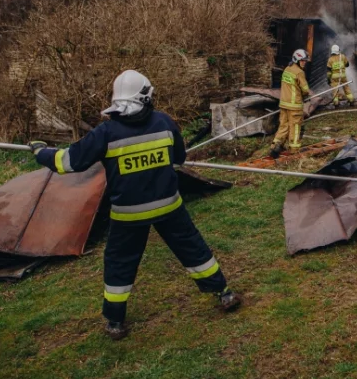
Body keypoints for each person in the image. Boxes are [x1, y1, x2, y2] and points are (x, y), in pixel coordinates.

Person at [28, 70, 241, 341]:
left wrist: (39, 151)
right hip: (169, 207)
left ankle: (115, 321)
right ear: (147, 97)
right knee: (193, 249)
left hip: (128, 215)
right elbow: (178, 160)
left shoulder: (105, 133)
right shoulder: (164, 122)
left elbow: (67, 162)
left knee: (120, 264)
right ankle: (224, 293)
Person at [270, 49, 310, 159]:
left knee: (283, 125)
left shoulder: (287, 69)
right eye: (303, 61)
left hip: (284, 104)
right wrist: (306, 96)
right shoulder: (299, 72)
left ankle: (275, 146)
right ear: (297, 60)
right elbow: (305, 89)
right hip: (294, 105)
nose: (304, 63)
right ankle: (294, 149)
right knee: (295, 126)